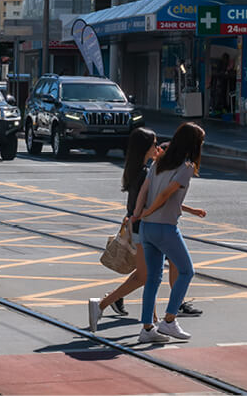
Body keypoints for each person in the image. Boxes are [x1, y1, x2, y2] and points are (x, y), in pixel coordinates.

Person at [88, 128, 201, 331]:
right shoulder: (147, 172)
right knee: (146, 276)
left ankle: (152, 322)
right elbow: (159, 198)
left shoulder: (144, 170)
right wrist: (141, 213)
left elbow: (157, 199)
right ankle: (106, 304)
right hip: (147, 228)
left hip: (146, 225)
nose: (157, 147)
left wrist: (189, 210)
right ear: (145, 148)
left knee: (152, 275)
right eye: (154, 143)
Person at [134, 121, 206, 342]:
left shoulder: (159, 161)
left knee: (153, 278)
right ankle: (169, 320)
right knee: (186, 271)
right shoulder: (185, 167)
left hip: (147, 228)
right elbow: (165, 194)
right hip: (165, 227)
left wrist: (140, 213)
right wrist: (153, 210)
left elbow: (145, 190)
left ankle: (147, 329)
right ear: (193, 144)